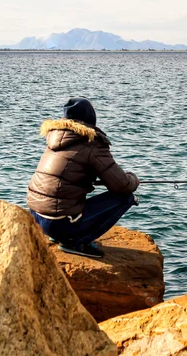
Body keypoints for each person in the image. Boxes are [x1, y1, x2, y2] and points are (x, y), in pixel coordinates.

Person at [27, 97, 140, 258]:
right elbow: (121, 185)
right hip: (59, 222)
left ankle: (59, 235)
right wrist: (134, 179)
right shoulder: (92, 143)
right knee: (126, 197)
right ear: (91, 119)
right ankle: (76, 242)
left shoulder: (55, 138)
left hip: (36, 216)